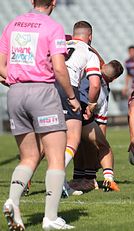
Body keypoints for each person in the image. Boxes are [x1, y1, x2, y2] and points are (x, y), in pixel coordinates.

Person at [0, 0, 80, 230]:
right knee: (55, 157)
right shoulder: (52, 27)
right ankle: (51, 217)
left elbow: (1, 64)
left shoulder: (12, 24)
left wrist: (16, 79)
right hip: (42, 92)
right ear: (54, 2)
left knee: (28, 156)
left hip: (15, 93)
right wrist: (72, 97)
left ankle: (13, 201)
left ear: (31, 1)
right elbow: (59, 68)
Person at [55, 21, 101, 184]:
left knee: (47, 138)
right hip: (67, 88)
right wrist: (91, 104)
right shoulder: (89, 52)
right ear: (90, 37)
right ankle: (56, 175)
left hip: (45, 87)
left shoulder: (61, 43)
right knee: (73, 138)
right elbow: (95, 84)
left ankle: (23, 182)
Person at [68, 59, 123, 193]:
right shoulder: (101, 89)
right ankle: (95, 179)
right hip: (80, 111)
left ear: (103, 65)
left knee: (75, 143)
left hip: (65, 105)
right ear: (114, 79)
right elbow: (101, 124)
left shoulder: (87, 69)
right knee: (100, 144)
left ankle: (81, 178)